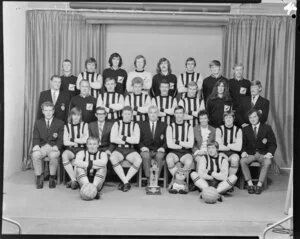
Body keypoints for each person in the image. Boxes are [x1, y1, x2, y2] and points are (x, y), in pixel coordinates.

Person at [240, 108, 277, 194]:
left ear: (258, 117)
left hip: (263, 154)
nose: (252, 119)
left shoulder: (267, 128)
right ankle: (250, 184)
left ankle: (259, 185)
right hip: (250, 154)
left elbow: (273, 143)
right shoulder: (245, 129)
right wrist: (243, 151)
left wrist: (270, 153)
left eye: (254, 117)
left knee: (267, 162)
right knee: (242, 161)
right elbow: (243, 144)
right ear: (249, 119)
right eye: (250, 118)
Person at [31, 101, 64, 189]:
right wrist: (36, 145)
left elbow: (60, 138)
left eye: (50, 110)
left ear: (53, 111)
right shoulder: (38, 123)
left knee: (53, 156)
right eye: (46, 110)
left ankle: (52, 177)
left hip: (53, 147)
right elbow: (36, 137)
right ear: (43, 111)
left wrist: (57, 146)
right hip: (42, 147)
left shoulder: (60, 123)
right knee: (35, 155)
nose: (48, 113)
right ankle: (39, 177)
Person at [109, 106, 142, 192]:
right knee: (112, 158)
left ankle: (124, 181)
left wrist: (123, 137)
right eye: (125, 114)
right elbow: (113, 139)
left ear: (132, 115)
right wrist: (128, 140)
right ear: (122, 114)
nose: (127, 116)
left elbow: (136, 140)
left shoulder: (135, 125)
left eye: (129, 114)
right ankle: (126, 182)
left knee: (138, 160)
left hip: (130, 149)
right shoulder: (117, 124)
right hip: (119, 149)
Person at [139, 105, 167, 186]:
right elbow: (138, 140)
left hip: (159, 149)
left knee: (159, 156)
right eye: (151, 112)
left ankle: (156, 180)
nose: (153, 114)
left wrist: (163, 147)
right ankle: (149, 179)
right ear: (148, 114)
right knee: (146, 156)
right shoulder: (142, 125)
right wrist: (142, 147)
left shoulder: (164, 125)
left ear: (158, 114)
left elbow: (167, 140)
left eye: (155, 112)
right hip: (146, 150)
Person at [62, 107, 89, 189]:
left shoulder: (85, 125)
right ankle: (74, 180)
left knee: (78, 159)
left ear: (80, 116)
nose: (76, 117)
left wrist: (72, 139)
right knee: (64, 156)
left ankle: (73, 181)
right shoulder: (67, 126)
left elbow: (86, 140)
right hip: (71, 149)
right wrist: (78, 141)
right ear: (71, 116)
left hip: (81, 149)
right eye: (74, 115)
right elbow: (65, 142)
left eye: (78, 115)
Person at [166, 106, 194, 177]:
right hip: (173, 151)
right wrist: (184, 145)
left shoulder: (189, 126)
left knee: (189, 161)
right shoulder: (170, 126)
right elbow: (169, 145)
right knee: (169, 159)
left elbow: (191, 144)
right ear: (174, 114)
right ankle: (178, 180)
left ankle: (178, 181)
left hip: (185, 152)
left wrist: (177, 142)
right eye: (177, 113)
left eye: (181, 113)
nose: (179, 115)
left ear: (184, 114)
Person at [215, 110, 242, 177]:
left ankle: (229, 180)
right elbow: (218, 146)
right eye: (226, 118)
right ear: (224, 119)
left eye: (230, 117)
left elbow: (239, 148)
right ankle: (221, 180)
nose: (228, 119)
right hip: (221, 152)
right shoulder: (219, 129)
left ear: (233, 119)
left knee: (235, 160)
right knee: (221, 159)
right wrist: (233, 145)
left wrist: (226, 144)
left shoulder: (238, 130)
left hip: (233, 153)